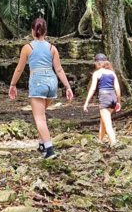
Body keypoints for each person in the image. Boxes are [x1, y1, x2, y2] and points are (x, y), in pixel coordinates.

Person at [8, 17, 73, 159]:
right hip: (52, 83)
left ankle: (50, 150)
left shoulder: (27, 48)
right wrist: (68, 87)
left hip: (37, 82)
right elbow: (59, 69)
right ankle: (42, 144)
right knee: (42, 115)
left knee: (40, 119)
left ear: (32, 31)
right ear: (45, 31)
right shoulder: (52, 48)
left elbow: (19, 69)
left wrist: (13, 85)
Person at [83, 53, 121, 146]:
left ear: (96, 63)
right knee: (103, 120)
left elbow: (92, 88)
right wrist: (118, 102)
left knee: (108, 123)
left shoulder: (97, 73)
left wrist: (86, 102)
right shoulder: (112, 73)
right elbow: (117, 88)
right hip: (113, 97)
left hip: (104, 97)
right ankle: (100, 140)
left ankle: (114, 143)